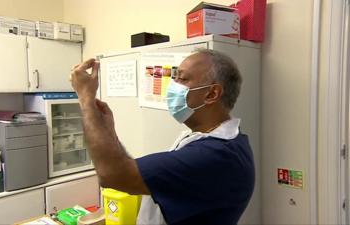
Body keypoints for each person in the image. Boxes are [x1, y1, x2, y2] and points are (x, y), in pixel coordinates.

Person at [70, 49, 255, 225]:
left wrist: (86, 98)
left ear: (212, 94)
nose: (172, 86)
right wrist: (109, 132)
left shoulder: (216, 155)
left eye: (182, 79)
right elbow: (134, 174)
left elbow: (113, 175)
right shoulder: (209, 141)